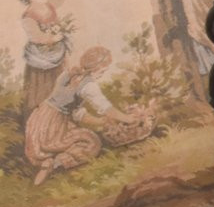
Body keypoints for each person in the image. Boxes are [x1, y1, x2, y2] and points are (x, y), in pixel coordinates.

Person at [24, 46, 155, 186]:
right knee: (92, 143)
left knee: (78, 137)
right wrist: (128, 118)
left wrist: (99, 121)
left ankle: (49, 161)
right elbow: (106, 108)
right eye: (103, 70)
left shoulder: (69, 74)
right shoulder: (89, 86)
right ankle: (54, 163)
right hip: (53, 125)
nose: (103, 74)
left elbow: (75, 112)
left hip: (41, 118)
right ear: (96, 67)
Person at [18, 0, 70, 117]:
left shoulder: (48, 6)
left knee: (59, 82)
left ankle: (60, 114)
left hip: (56, 54)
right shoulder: (28, 16)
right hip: (40, 59)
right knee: (43, 87)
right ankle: (40, 117)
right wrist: (52, 38)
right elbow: (36, 37)